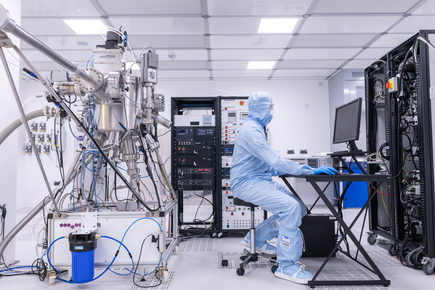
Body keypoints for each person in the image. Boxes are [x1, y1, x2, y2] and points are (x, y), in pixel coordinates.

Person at [230, 91, 337, 285]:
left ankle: (256, 238)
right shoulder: (251, 131)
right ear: (262, 107)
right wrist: (309, 171)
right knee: (291, 208)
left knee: (300, 208)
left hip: (259, 179)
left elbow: (265, 164)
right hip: (246, 183)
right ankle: (286, 266)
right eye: (271, 106)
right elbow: (275, 160)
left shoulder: (257, 128)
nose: (272, 110)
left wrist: (300, 170)